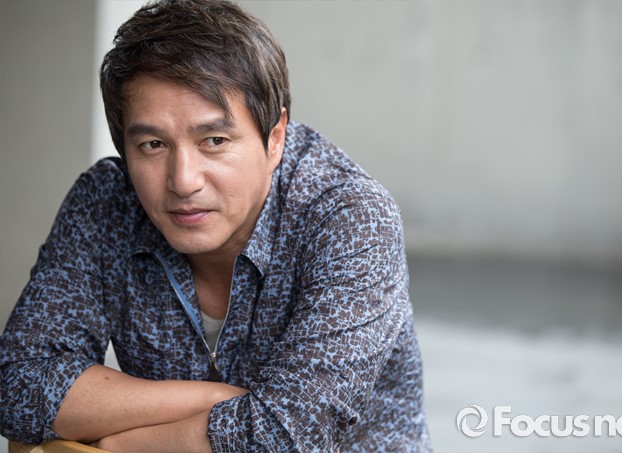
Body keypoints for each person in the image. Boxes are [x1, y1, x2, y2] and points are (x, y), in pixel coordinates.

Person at [0, 0, 431, 451]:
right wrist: (216, 399)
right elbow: (18, 386)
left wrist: (120, 446)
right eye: (152, 145)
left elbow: (291, 432)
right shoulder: (106, 202)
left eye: (214, 140)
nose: (183, 181)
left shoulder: (350, 216)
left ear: (275, 138)